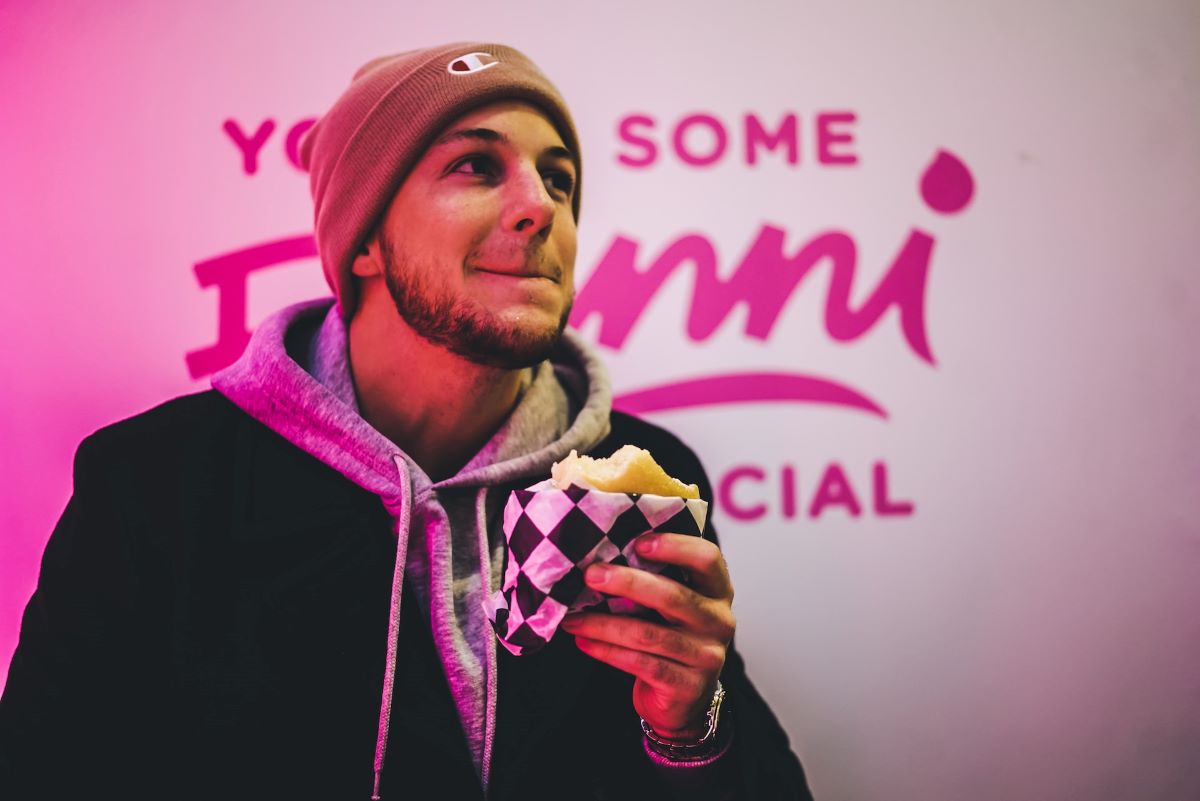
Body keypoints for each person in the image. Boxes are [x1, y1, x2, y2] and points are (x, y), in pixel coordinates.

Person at [0, 43, 813, 801]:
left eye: (559, 179)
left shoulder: (644, 470)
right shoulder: (157, 481)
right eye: (475, 165)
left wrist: (689, 730)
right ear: (365, 241)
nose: (540, 207)